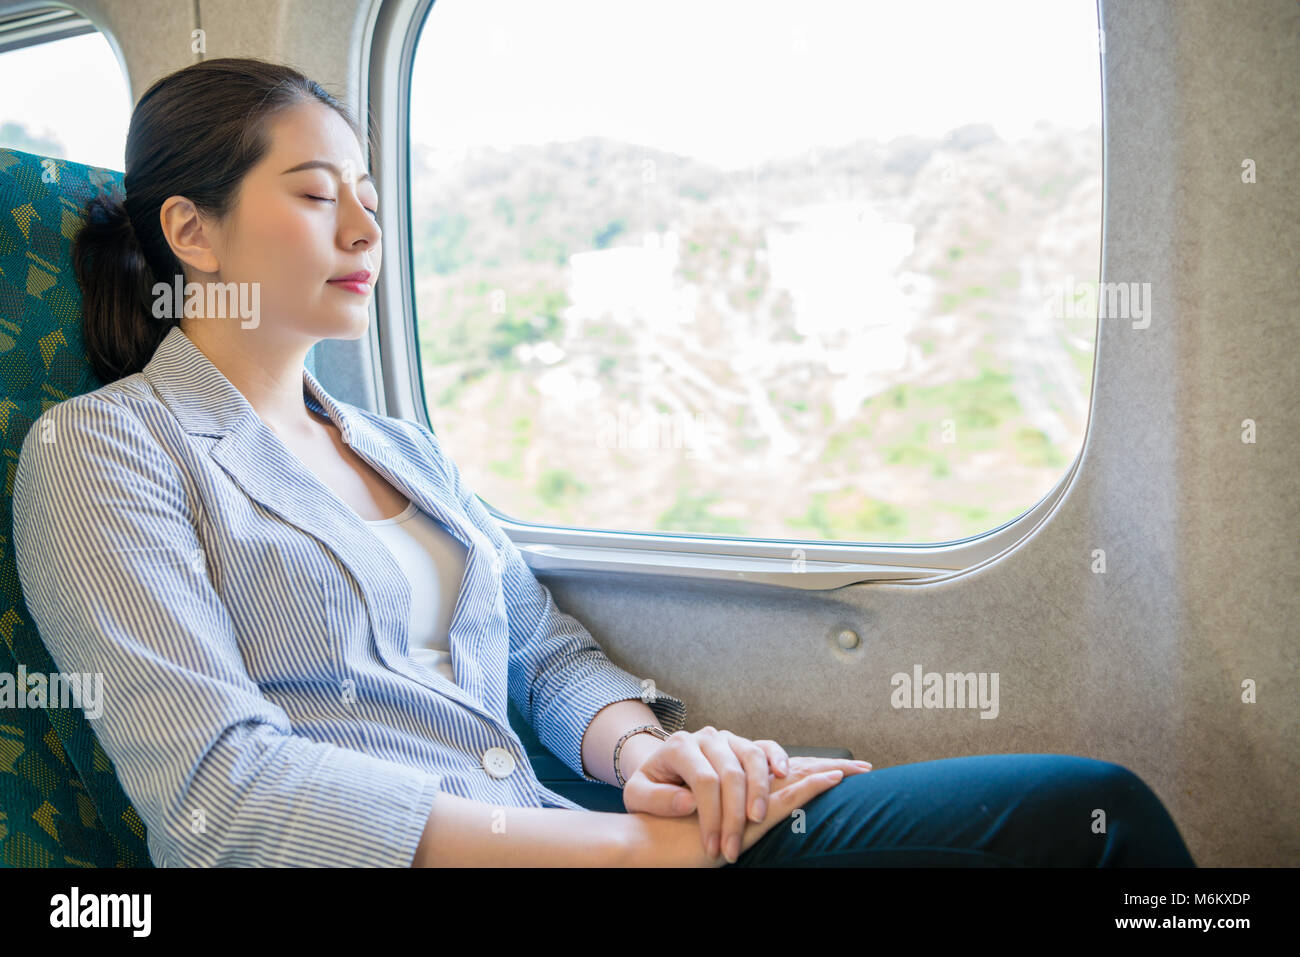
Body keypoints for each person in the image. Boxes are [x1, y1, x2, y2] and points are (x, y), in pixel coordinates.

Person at [12, 57, 1194, 868]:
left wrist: (646, 755)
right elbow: (226, 795)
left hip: (572, 833)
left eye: (369, 195)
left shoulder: (396, 447)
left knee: (1083, 814)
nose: (366, 229)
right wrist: (630, 848)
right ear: (191, 231)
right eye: (318, 196)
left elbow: (543, 650)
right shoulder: (105, 451)